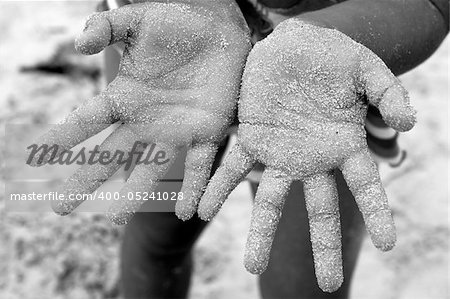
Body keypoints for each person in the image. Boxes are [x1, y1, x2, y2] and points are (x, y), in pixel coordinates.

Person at [33, 0, 448, 298]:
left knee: (305, 286)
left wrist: (332, 34)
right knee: (153, 238)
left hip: (321, 80)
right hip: (171, 45)